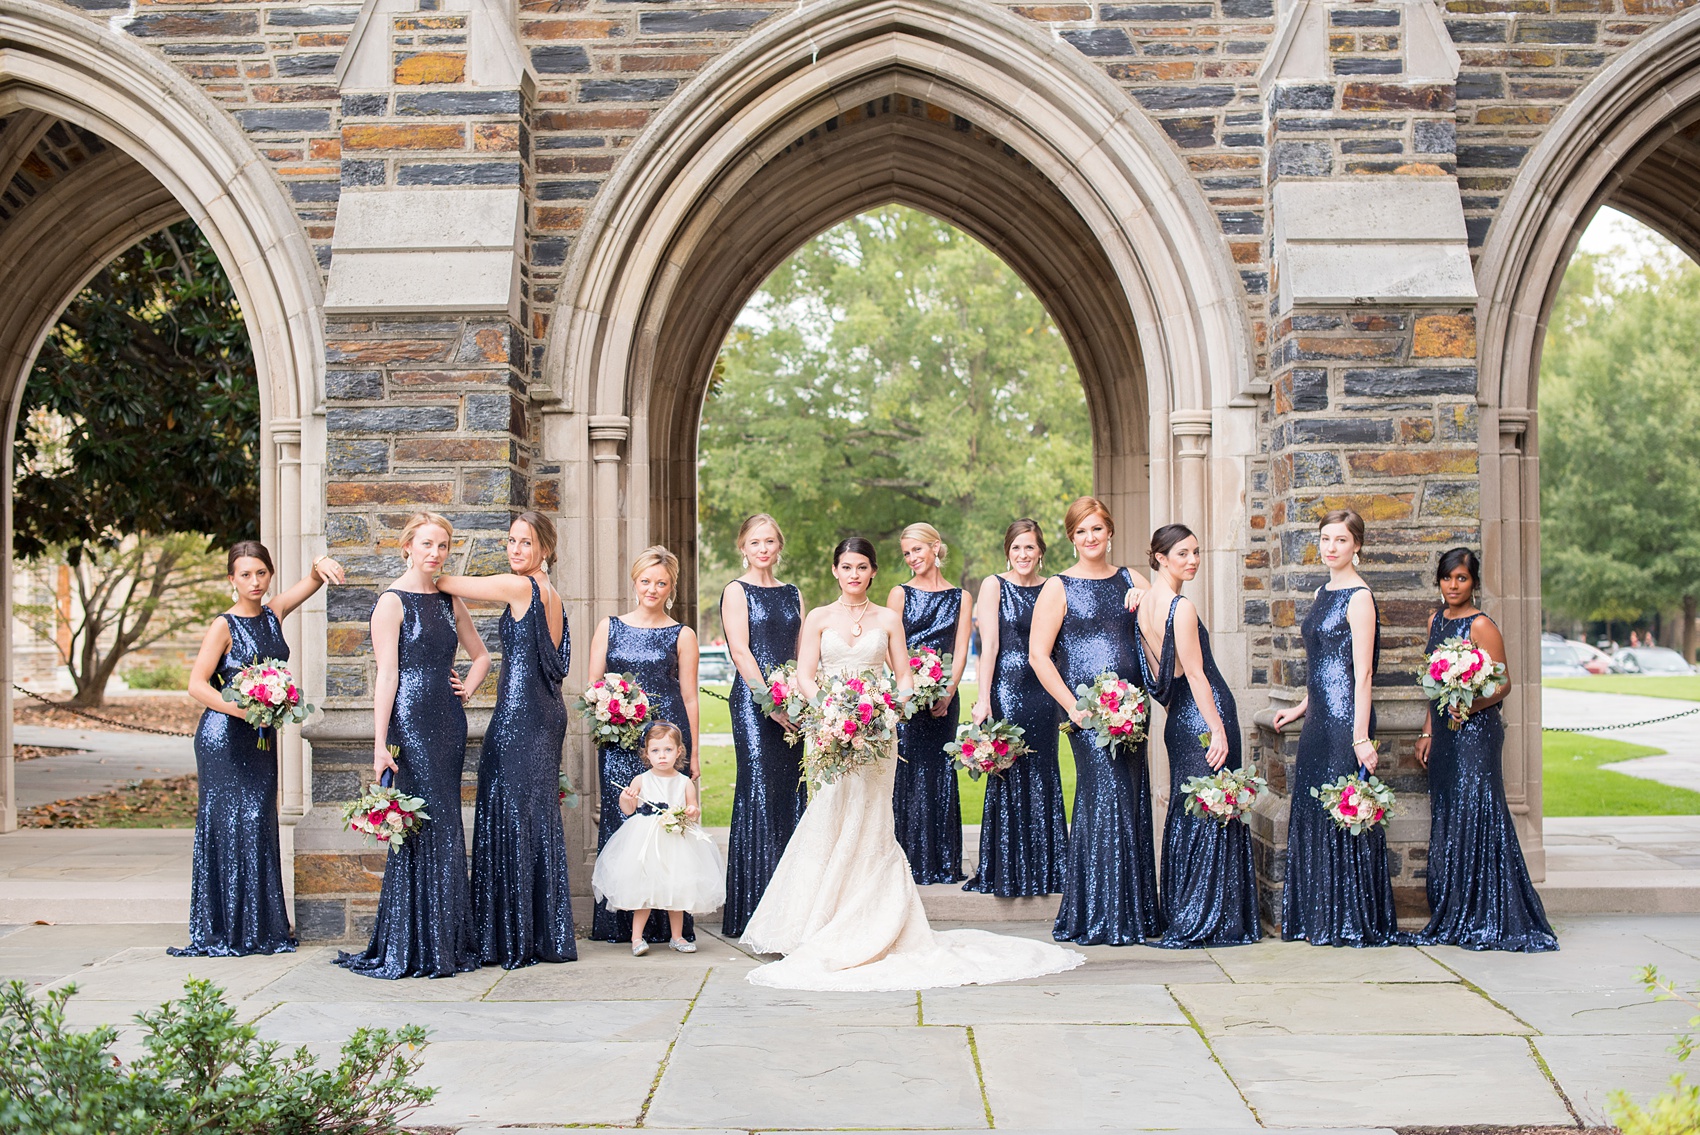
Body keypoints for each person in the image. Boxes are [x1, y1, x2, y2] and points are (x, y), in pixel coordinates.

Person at [741, 537, 1084, 990]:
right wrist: (830, 710)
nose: (854, 575)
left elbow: (903, 677)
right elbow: (805, 674)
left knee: (872, 821)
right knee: (828, 815)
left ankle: (874, 919)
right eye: (846, 567)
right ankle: (813, 919)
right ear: (834, 571)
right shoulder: (820, 618)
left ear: (873, 572)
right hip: (828, 730)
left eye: (862, 567)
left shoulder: (887, 618)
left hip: (878, 734)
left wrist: (885, 711)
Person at [171, 541, 344, 957]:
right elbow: (196, 684)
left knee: (260, 820)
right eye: (245, 574)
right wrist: (240, 710)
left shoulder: (275, 612)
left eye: (261, 573)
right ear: (231, 579)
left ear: (269, 575)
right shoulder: (223, 625)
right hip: (224, 736)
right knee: (230, 823)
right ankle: (226, 927)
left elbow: (314, 581)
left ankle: (260, 926)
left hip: (261, 738)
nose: (254, 581)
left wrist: (320, 561)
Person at [336, 512, 490, 978]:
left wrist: (470, 687)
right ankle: (412, 940)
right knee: (419, 823)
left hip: (448, 720)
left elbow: (480, 654)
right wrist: (379, 743)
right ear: (407, 546)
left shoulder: (448, 598)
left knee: (444, 821)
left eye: (443, 545)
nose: (435, 553)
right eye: (426, 544)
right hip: (410, 721)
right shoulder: (391, 602)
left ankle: (445, 939)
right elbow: (387, 675)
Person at [435, 512, 575, 970]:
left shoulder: (522, 588)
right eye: (511, 541)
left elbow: (448, 583)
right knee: (531, 817)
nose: (515, 550)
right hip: (544, 714)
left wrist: (426, 561)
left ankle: (509, 938)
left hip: (522, 719)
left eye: (525, 542)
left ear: (545, 550)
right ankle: (536, 934)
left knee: (510, 814)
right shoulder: (552, 596)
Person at [1028, 497, 1163, 946]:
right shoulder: (1058, 587)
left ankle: (1133, 912)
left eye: (1097, 530)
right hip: (1086, 717)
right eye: (1081, 531)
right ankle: (1100, 913)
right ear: (1072, 537)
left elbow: (1171, 627)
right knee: (1103, 801)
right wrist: (1072, 707)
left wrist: (1150, 600)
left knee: (1129, 801)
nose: (1090, 538)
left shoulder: (1131, 579)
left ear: (1110, 533)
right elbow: (1038, 656)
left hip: (1131, 713)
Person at [1413, 548, 1557, 952]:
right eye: (1447, 578)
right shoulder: (1435, 620)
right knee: (1448, 812)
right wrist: (1428, 731)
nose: (1453, 586)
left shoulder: (1481, 625)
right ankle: (1453, 908)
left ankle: (1490, 911)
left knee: (1477, 810)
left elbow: (1504, 683)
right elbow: (1431, 685)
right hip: (1445, 730)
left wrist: (1469, 705)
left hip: (1476, 731)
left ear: (1474, 582)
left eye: (1461, 578)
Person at [1271, 508, 1398, 947]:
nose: (1331, 547)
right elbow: (1324, 666)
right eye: (1325, 539)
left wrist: (1361, 737)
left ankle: (1348, 918)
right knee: (1315, 811)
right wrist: (1300, 707)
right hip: (1320, 721)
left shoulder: (1359, 597)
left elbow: (1361, 674)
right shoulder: (1324, 590)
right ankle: (1317, 917)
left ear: (1356, 546)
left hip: (1348, 721)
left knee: (1344, 815)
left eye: (1340, 540)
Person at [1132, 524, 1259, 948]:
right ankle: (1211, 916)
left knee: (1190, 814)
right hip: (1205, 716)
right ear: (1160, 558)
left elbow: (1162, 678)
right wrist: (1218, 729)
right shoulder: (1179, 607)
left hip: (1177, 719)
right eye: (1183, 553)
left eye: (1197, 552)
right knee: (1214, 814)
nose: (1193, 560)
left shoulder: (1143, 603)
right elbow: (1198, 675)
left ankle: (1185, 909)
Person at [587, 546, 702, 945]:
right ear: (634, 582)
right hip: (620, 739)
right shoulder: (610, 626)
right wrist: (608, 714)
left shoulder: (682, 633)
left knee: (668, 829)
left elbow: (689, 697)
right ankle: (622, 927)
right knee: (626, 827)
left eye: (661, 583)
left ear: (671, 588)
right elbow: (594, 687)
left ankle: (668, 927)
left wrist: (695, 752)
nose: (652, 589)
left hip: (666, 739)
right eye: (646, 581)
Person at [963, 519, 1066, 897]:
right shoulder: (994, 585)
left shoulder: (1053, 587)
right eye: (1016, 548)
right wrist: (984, 698)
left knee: (1044, 771)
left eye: (1030, 547)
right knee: (1007, 773)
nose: (1023, 555)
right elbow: (988, 646)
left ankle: (1046, 866)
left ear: (1041, 552)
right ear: (1008, 551)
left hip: (1044, 692)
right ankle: (1008, 866)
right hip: (1007, 689)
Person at [720, 514, 807, 938]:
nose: (763, 548)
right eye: (755, 542)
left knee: (792, 790)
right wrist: (769, 701)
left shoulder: (793, 593)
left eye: (770, 541)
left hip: (795, 705)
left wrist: (802, 694)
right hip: (756, 706)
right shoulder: (736, 591)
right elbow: (740, 649)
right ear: (743, 546)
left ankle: (791, 905)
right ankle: (753, 904)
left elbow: (804, 648)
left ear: (779, 545)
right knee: (758, 787)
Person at [592, 721, 726, 955]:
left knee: (677, 888)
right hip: (646, 840)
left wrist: (691, 811)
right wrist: (627, 796)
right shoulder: (641, 780)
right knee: (644, 890)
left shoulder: (684, 782)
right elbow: (628, 809)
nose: (661, 756)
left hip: (675, 839)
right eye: (655, 751)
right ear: (646, 753)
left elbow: (693, 809)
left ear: (678, 751)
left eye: (667, 750)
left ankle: (677, 936)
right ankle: (636, 938)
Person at [887, 522, 973, 884]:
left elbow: (962, 648)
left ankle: (943, 861)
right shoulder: (899, 594)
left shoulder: (961, 597)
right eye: (907, 553)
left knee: (940, 772)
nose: (912, 558)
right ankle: (906, 862)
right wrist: (911, 687)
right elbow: (892, 649)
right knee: (907, 773)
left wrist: (948, 690)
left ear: (936, 547)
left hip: (944, 700)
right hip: (908, 700)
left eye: (917, 549)